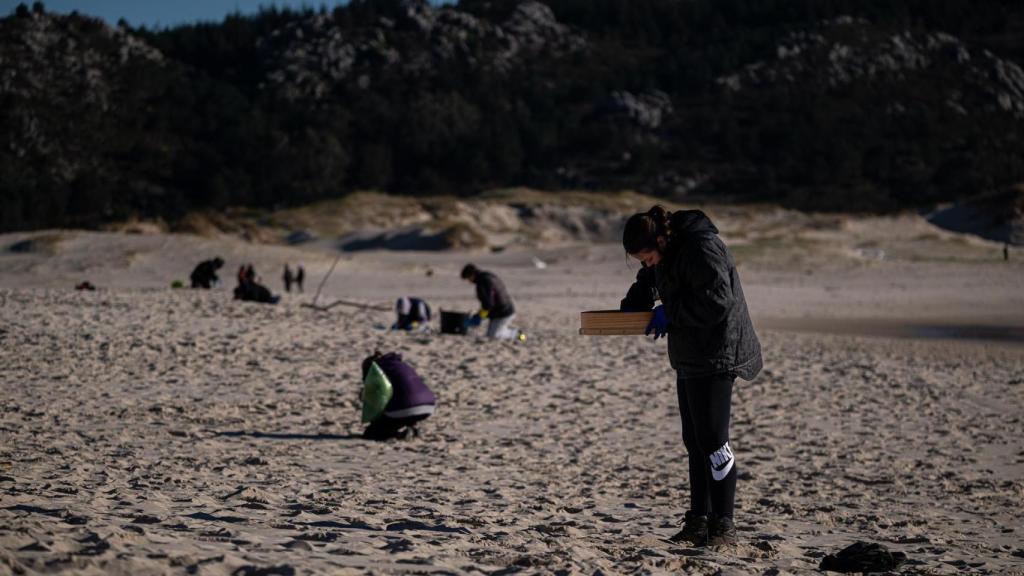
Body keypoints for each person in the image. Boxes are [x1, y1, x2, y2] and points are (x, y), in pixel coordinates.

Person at [620, 206, 761, 548]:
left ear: (662, 238)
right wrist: (634, 303)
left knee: (713, 439)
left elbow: (718, 302)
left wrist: (672, 312)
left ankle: (724, 524)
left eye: (647, 256)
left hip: (718, 351)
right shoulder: (666, 253)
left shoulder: (702, 247)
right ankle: (698, 520)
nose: (647, 263)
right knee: (694, 441)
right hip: (689, 354)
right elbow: (651, 281)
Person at [360, 351, 436, 440]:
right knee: (403, 404)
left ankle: (399, 434)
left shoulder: (376, 371)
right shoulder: (401, 364)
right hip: (428, 406)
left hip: (405, 407)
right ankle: (412, 428)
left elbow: (380, 399)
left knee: (371, 433)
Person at [460, 264, 523, 340]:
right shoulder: (486, 276)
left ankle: (518, 334)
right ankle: (510, 332)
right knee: (491, 334)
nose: (469, 282)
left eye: (468, 279)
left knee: (494, 336)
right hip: (501, 311)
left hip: (503, 312)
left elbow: (488, 304)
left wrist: (479, 317)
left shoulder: (483, 282)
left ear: (471, 275)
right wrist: (480, 315)